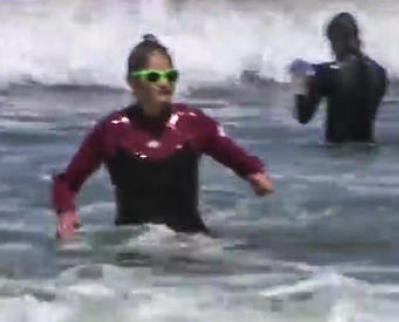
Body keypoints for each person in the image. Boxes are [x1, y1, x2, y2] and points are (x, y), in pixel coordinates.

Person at [51, 35, 274, 238]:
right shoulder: (112, 130)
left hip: (191, 240)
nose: (165, 83)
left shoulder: (193, 123)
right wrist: (66, 213)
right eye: (154, 76)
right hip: (134, 244)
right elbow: (67, 183)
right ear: (133, 82)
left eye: (171, 76)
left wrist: (253, 173)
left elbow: (234, 155)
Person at [292, 12, 388, 143]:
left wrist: (300, 82)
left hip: (338, 151)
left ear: (336, 40)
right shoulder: (380, 73)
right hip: (368, 151)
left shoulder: (330, 74)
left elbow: (303, 116)